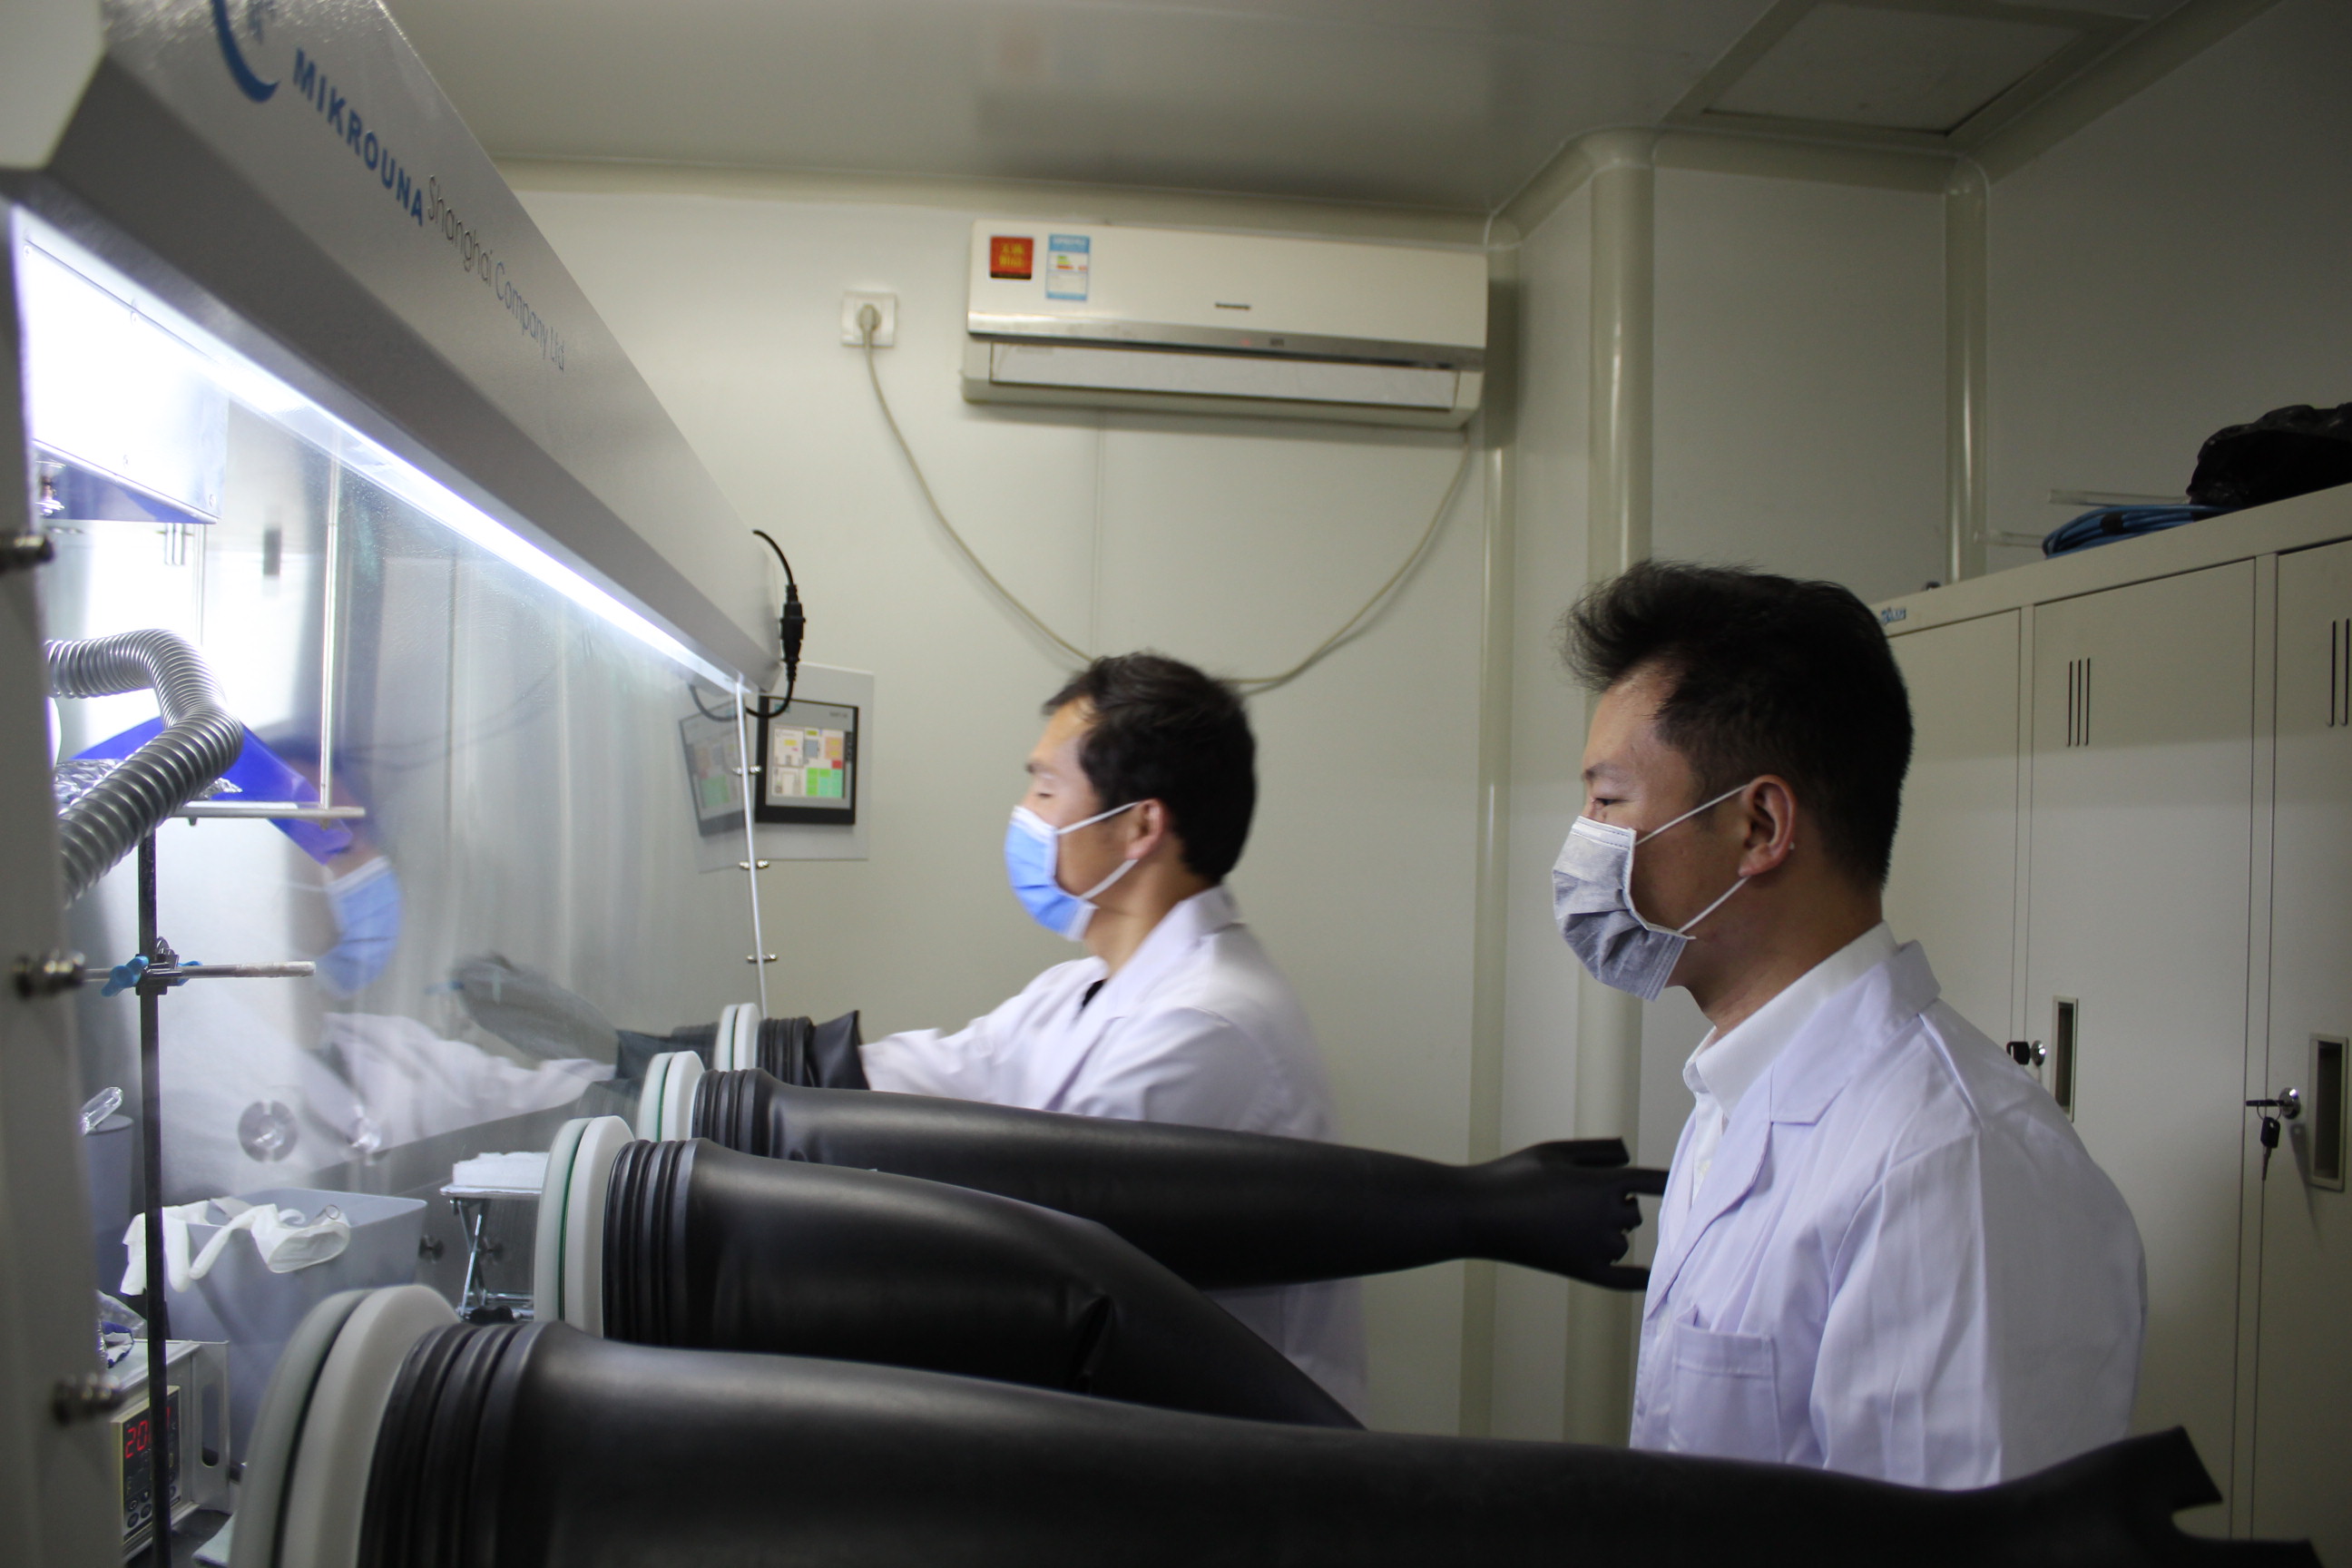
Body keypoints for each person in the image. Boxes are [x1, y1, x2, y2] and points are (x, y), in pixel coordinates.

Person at [1550, 561, 2144, 1487]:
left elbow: (1947, 1544)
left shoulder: (1947, 1166)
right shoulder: (1735, 1095)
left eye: (1609, 800)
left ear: (1759, 826)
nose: (1584, 839)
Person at [859, 652, 1366, 1412]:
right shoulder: (1083, 987)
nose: (1025, 814)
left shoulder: (1206, 1025)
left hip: (1224, 1450)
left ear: (1139, 825)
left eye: (1045, 789)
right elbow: (947, 1071)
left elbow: (1046, 1235)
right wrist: (743, 1071)